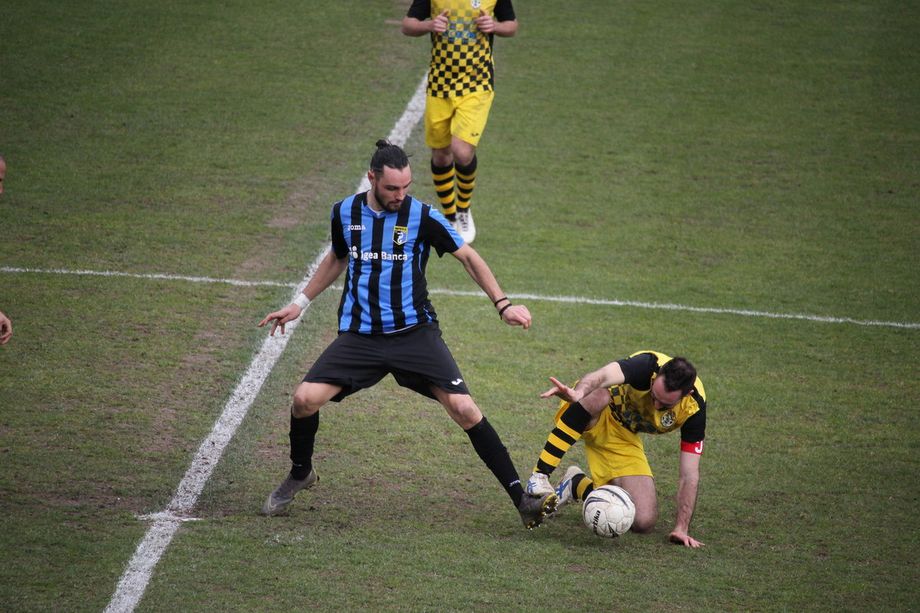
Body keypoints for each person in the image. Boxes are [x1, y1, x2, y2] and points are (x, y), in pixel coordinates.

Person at [258, 140, 557, 529]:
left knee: (465, 409)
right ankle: (301, 473)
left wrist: (503, 304)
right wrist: (300, 302)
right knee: (303, 400)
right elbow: (337, 256)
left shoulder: (422, 216)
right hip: (360, 338)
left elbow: (468, 255)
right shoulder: (344, 212)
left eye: (406, 187)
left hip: (415, 334)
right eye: (392, 189)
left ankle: (521, 500)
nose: (401, 195)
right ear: (372, 178)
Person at [525, 351, 708, 547]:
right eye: (654, 396)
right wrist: (578, 393)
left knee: (643, 520)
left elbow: (689, 474)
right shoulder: (645, 366)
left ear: (686, 395)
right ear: (655, 377)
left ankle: (576, 485)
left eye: (664, 405)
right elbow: (600, 377)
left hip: (622, 436)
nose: (655, 405)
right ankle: (539, 478)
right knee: (598, 392)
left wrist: (681, 527)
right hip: (591, 409)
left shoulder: (693, 408)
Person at [402, 0, 518, 244]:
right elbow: (408, 25)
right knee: (441, 156)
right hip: (439, 85)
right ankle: (450, 215)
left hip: (477, 84)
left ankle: (463, 210)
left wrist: (494, 26)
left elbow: (512, 25)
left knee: (461, 151)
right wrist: (430, 25)